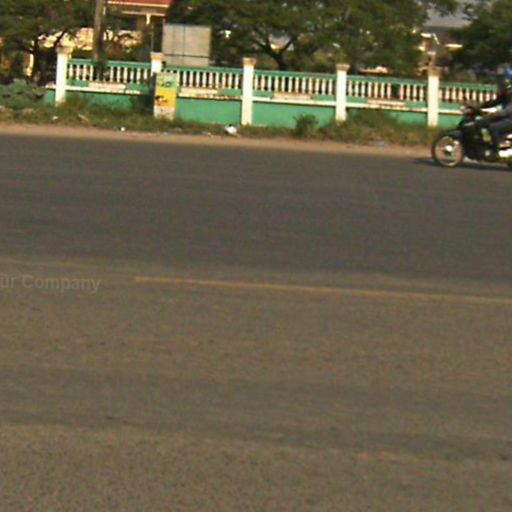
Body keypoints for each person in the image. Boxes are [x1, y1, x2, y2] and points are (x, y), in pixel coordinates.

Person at [472, 65, 512, 151]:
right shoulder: (504, 94)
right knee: (480, 122)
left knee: (493, 127)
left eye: (501, 80)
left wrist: (496, 114)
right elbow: (494, 102)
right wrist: (477, 106)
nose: (499, 83)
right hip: (505, 117)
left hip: (510, 119)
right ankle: (481, 147)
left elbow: (508, 110)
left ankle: (495, 151)